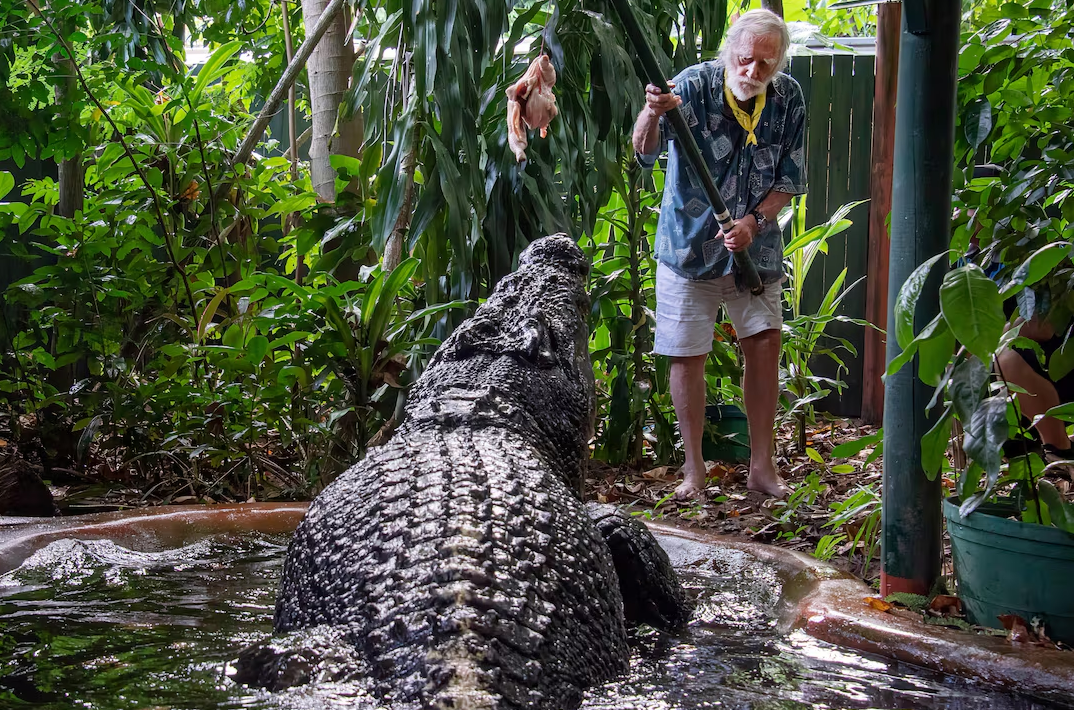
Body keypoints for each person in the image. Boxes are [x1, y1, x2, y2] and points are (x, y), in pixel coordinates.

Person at [632, 9, 807, 500]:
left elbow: (789, 182)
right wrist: (652, 110)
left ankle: (761, 468)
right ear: (729, 51)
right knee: (687, 354)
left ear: (779, 64)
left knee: (765, 342)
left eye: (765, 65)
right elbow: (643, 153)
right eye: (746, 60)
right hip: (689, 247)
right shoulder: (690, 86)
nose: (753, 72)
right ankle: (693, 472)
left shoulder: (788, 98)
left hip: (756, 249)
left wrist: (755, 222)